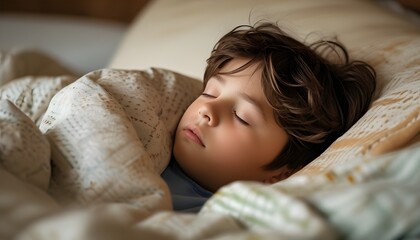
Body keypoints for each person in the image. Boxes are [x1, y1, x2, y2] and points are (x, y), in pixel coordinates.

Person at [161, 22, 376, 212]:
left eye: (241, 116)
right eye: (209, 92)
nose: (207, 109)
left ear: (282, 174)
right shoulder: (150, 132)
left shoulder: (226, 221)